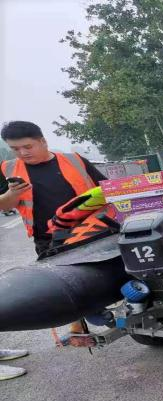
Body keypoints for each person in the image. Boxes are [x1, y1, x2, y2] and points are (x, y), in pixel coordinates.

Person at [0, 121, 107, 346]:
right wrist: (12, 193)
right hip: (47, 238)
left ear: (43, 141)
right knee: (68, 282)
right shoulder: (8, 169)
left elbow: (106, 188)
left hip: (91, 230)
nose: (22, 153)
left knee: (100, 275)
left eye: (27, 146)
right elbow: (4, 205)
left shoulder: (74, 160)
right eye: (15, 149)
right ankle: (77, 327)